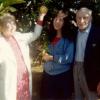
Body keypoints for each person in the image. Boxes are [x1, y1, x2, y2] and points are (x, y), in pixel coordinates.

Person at [0, 6, 47, 100]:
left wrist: (41, 16)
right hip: (10, 83)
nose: (11, 26)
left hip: (24, 80)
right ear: (1, 27)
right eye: (7, 24)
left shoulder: (19, 36)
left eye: (13, 23)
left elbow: (35, 34)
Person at [41, 9, 75, 100]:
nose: (57, 21)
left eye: (61, 20)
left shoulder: (69, 39)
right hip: (47, 76)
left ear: (65, 22)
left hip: (62, 77)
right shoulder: (49, 37)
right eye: (56, 18)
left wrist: (51, 58)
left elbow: (69, 58)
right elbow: (45, 55)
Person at [73, 7, 100, 100]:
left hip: (92, 72)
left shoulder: (98, 33)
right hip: (76, 68)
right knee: (78, 96)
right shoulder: (74, 33)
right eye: (79, 18)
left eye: (85, 17)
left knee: (91, 97)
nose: (81, 20)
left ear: (91, 18)